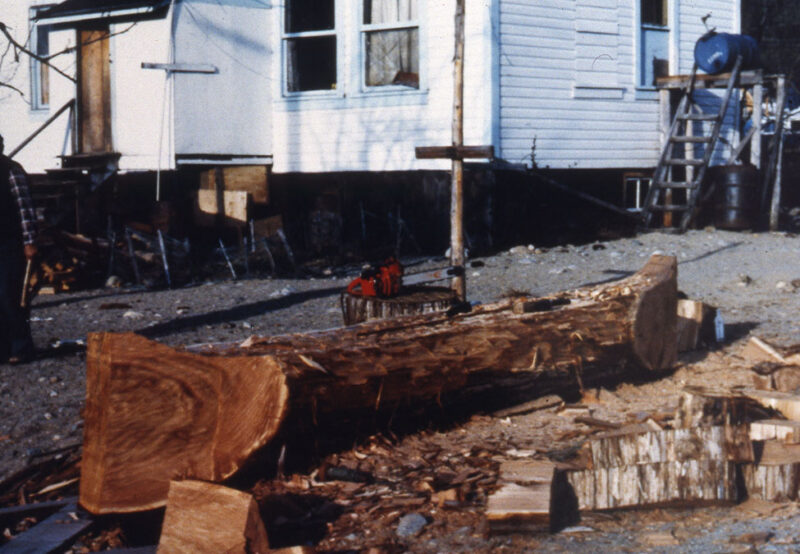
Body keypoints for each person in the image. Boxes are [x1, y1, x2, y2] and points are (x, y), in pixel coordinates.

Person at [0, 134, 37, 363]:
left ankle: (21, 347)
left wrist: (30, 241)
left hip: (10, 243)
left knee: (10, 295)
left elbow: (25, 208)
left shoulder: (11, 170)